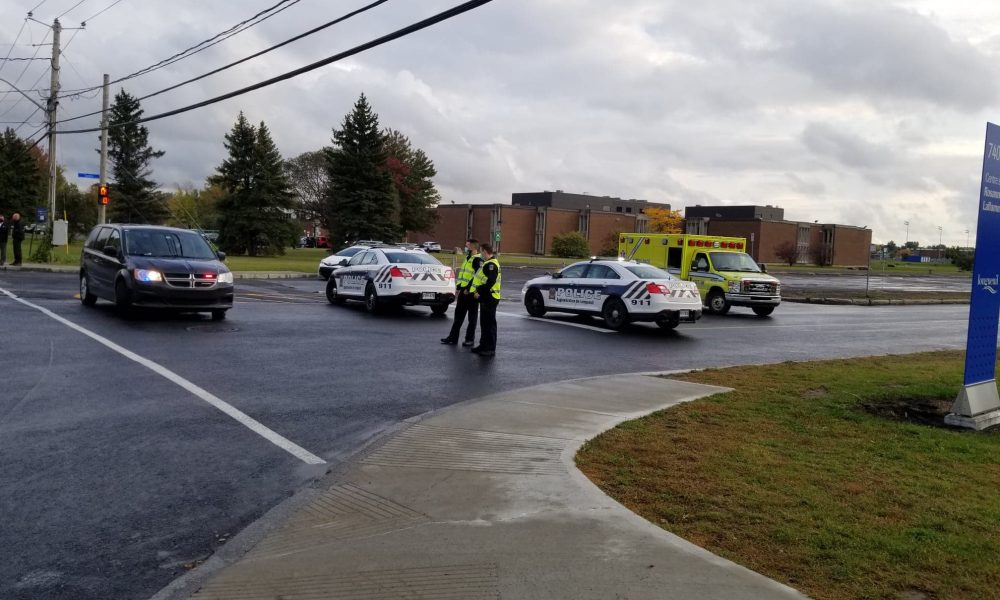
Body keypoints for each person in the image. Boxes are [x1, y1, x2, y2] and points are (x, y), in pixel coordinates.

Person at [441, 238, 483, 347]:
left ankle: (469, 339)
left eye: (467, 246)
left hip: (471, 294)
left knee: (472, 318)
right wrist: (459, 287)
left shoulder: (477, 260)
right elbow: (463, 275)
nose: (465, 247)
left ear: (473, 247)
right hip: (463, 292)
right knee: (458, 316)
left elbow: (477, 276)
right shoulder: (468, 258)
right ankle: (453, 337)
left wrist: (469, 289)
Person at [468, 244, 501, 357]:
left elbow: (491, 281)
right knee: (484, 323)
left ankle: (490, 348)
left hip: (490, 297)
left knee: (489, 324)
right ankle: (483, 345)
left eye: (481, 251)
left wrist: (479, 291)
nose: (480, 253)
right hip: (486, 297)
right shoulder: (488, 263)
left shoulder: (491, 264)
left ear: (485, 251)